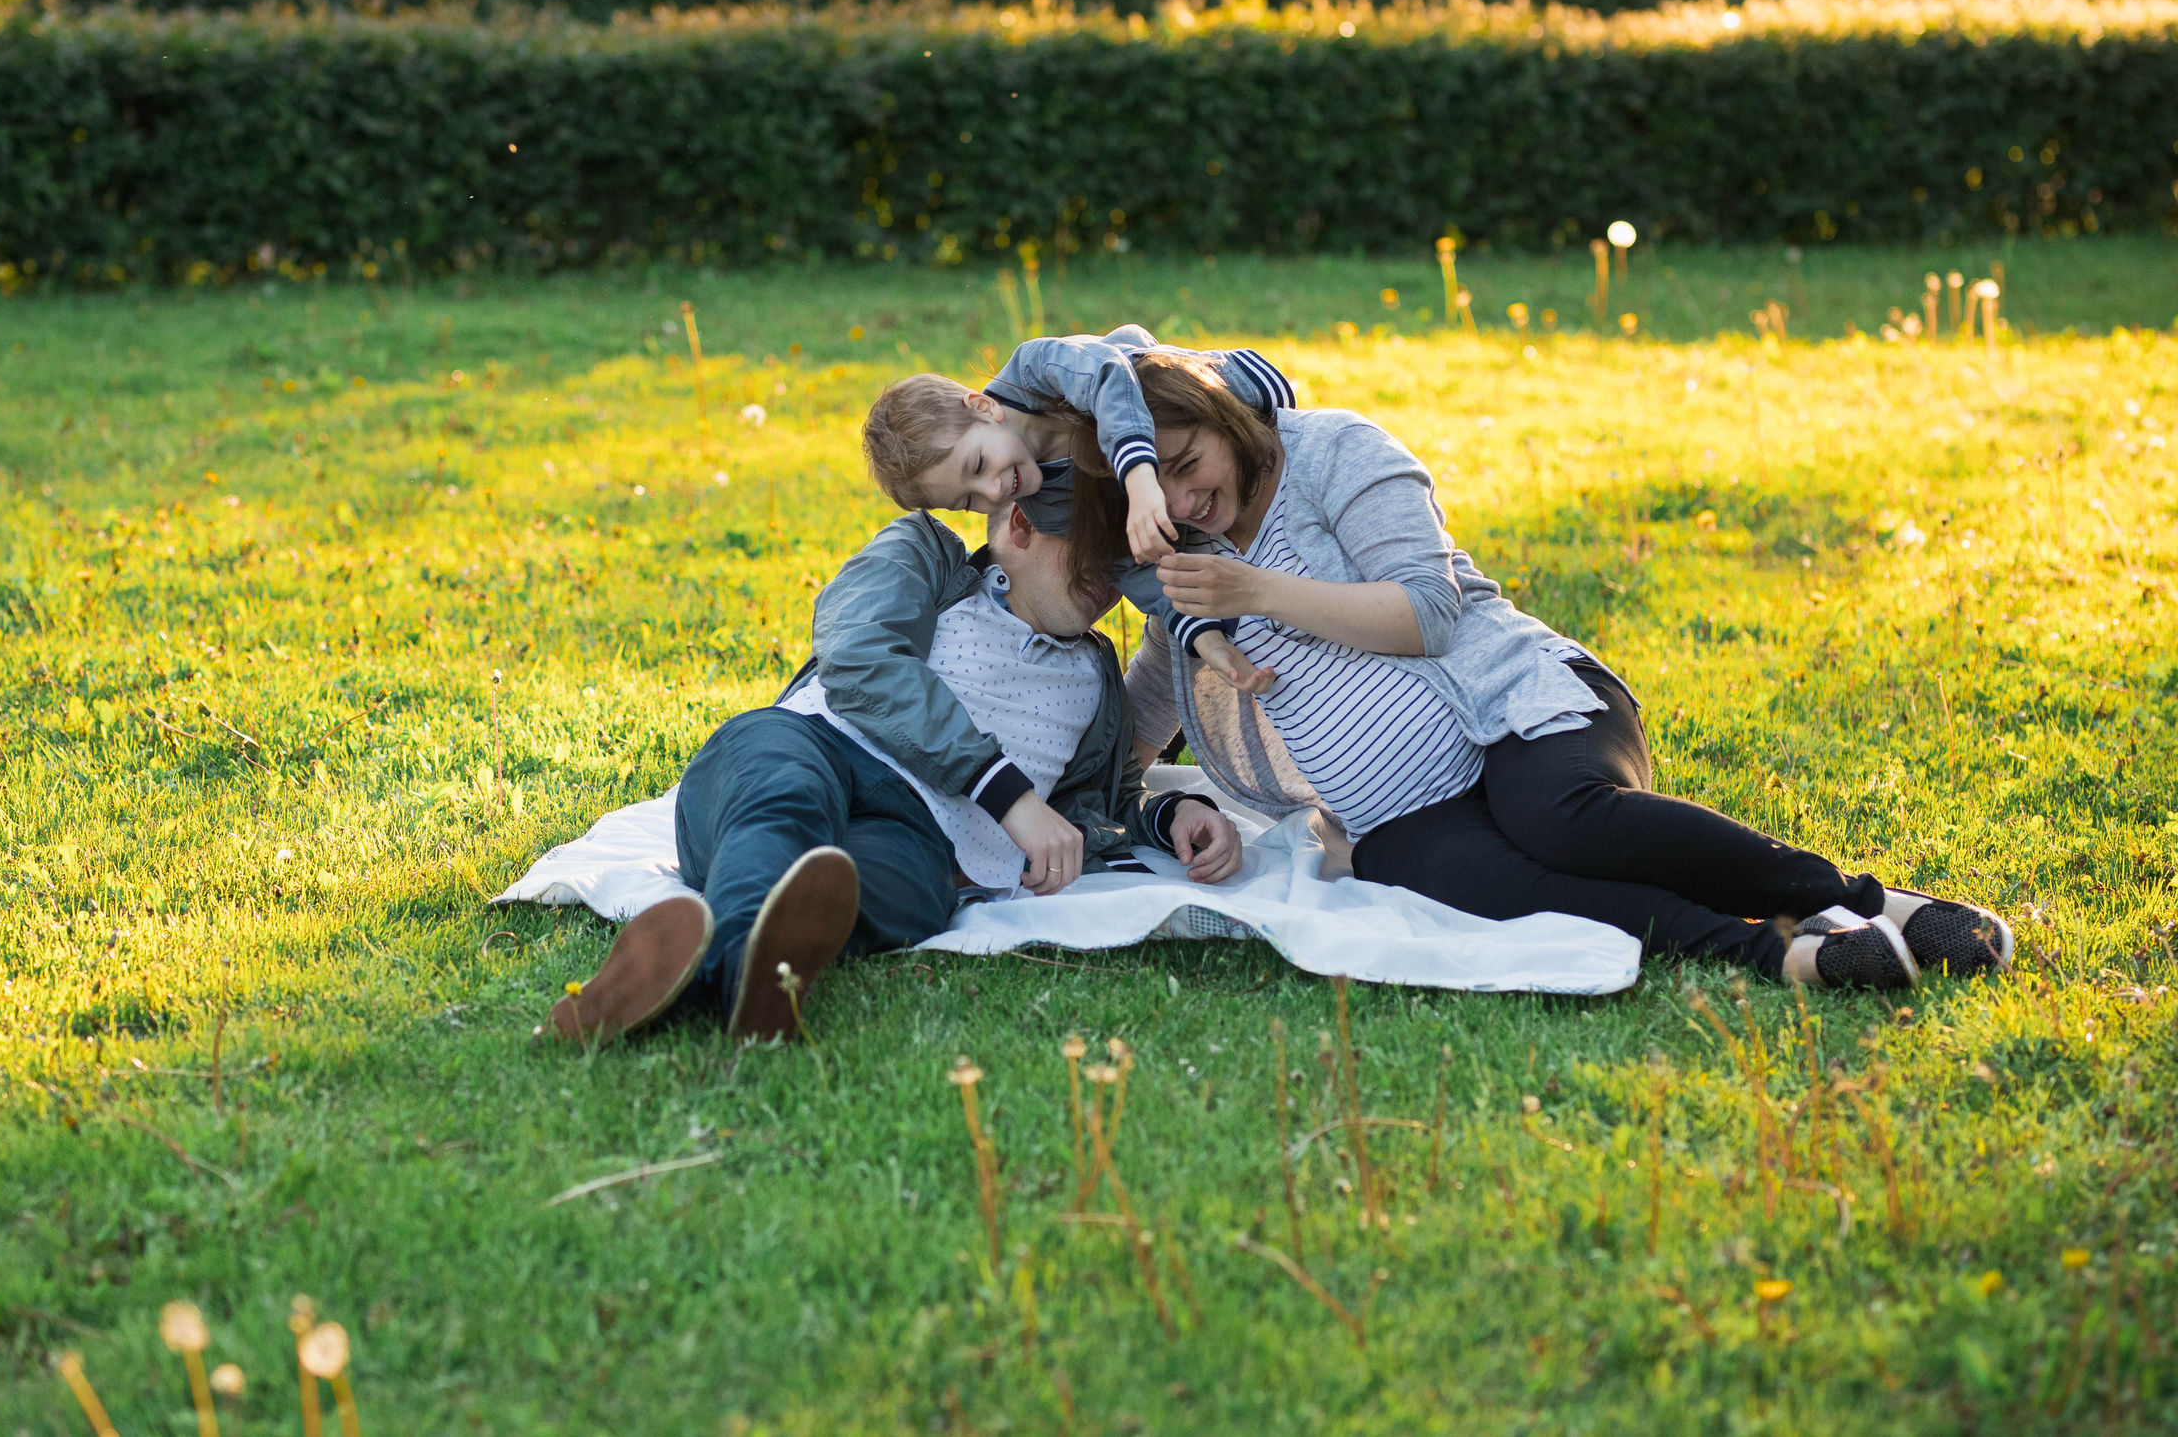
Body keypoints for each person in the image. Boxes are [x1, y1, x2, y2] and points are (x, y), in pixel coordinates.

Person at [1092, 351, 2013, 991]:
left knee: (1555, 819)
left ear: (1224, 418)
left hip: (1520, 710)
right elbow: (1139, 715)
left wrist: (1255, 587)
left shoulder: (1331, 452)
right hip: (1405, 814)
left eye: (1189, 462)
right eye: (1155, 484)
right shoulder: (1189, 574)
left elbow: (1426, 611)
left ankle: (1864, 901)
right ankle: (1781, 958)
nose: (1181, 498)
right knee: (1484, 882)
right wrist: (1154, 801)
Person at [544, 502, 1243, 1046]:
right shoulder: (931, 560)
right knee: (782, 806)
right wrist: (1006, 793)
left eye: (1121, 557)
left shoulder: (1096, 683)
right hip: (813, 741)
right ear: (1022, 524)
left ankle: (697, 977)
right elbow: (859, 658)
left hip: (921, 836)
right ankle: (742, 975)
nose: (1110, 570)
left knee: (875, 889)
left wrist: (1172, 815)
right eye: (1089, 545)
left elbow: (1108, 799)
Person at [861, 325, 1293, 697]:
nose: (992, 490)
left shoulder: (1034, 371)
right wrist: (1206, 638)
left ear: (983, 408)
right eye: (968, 501)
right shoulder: (1047, 510)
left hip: (1239, 397)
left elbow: (1109, 378)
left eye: (977, 464)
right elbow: (1133, 566)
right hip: (1203, 502)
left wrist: (1140, 481)